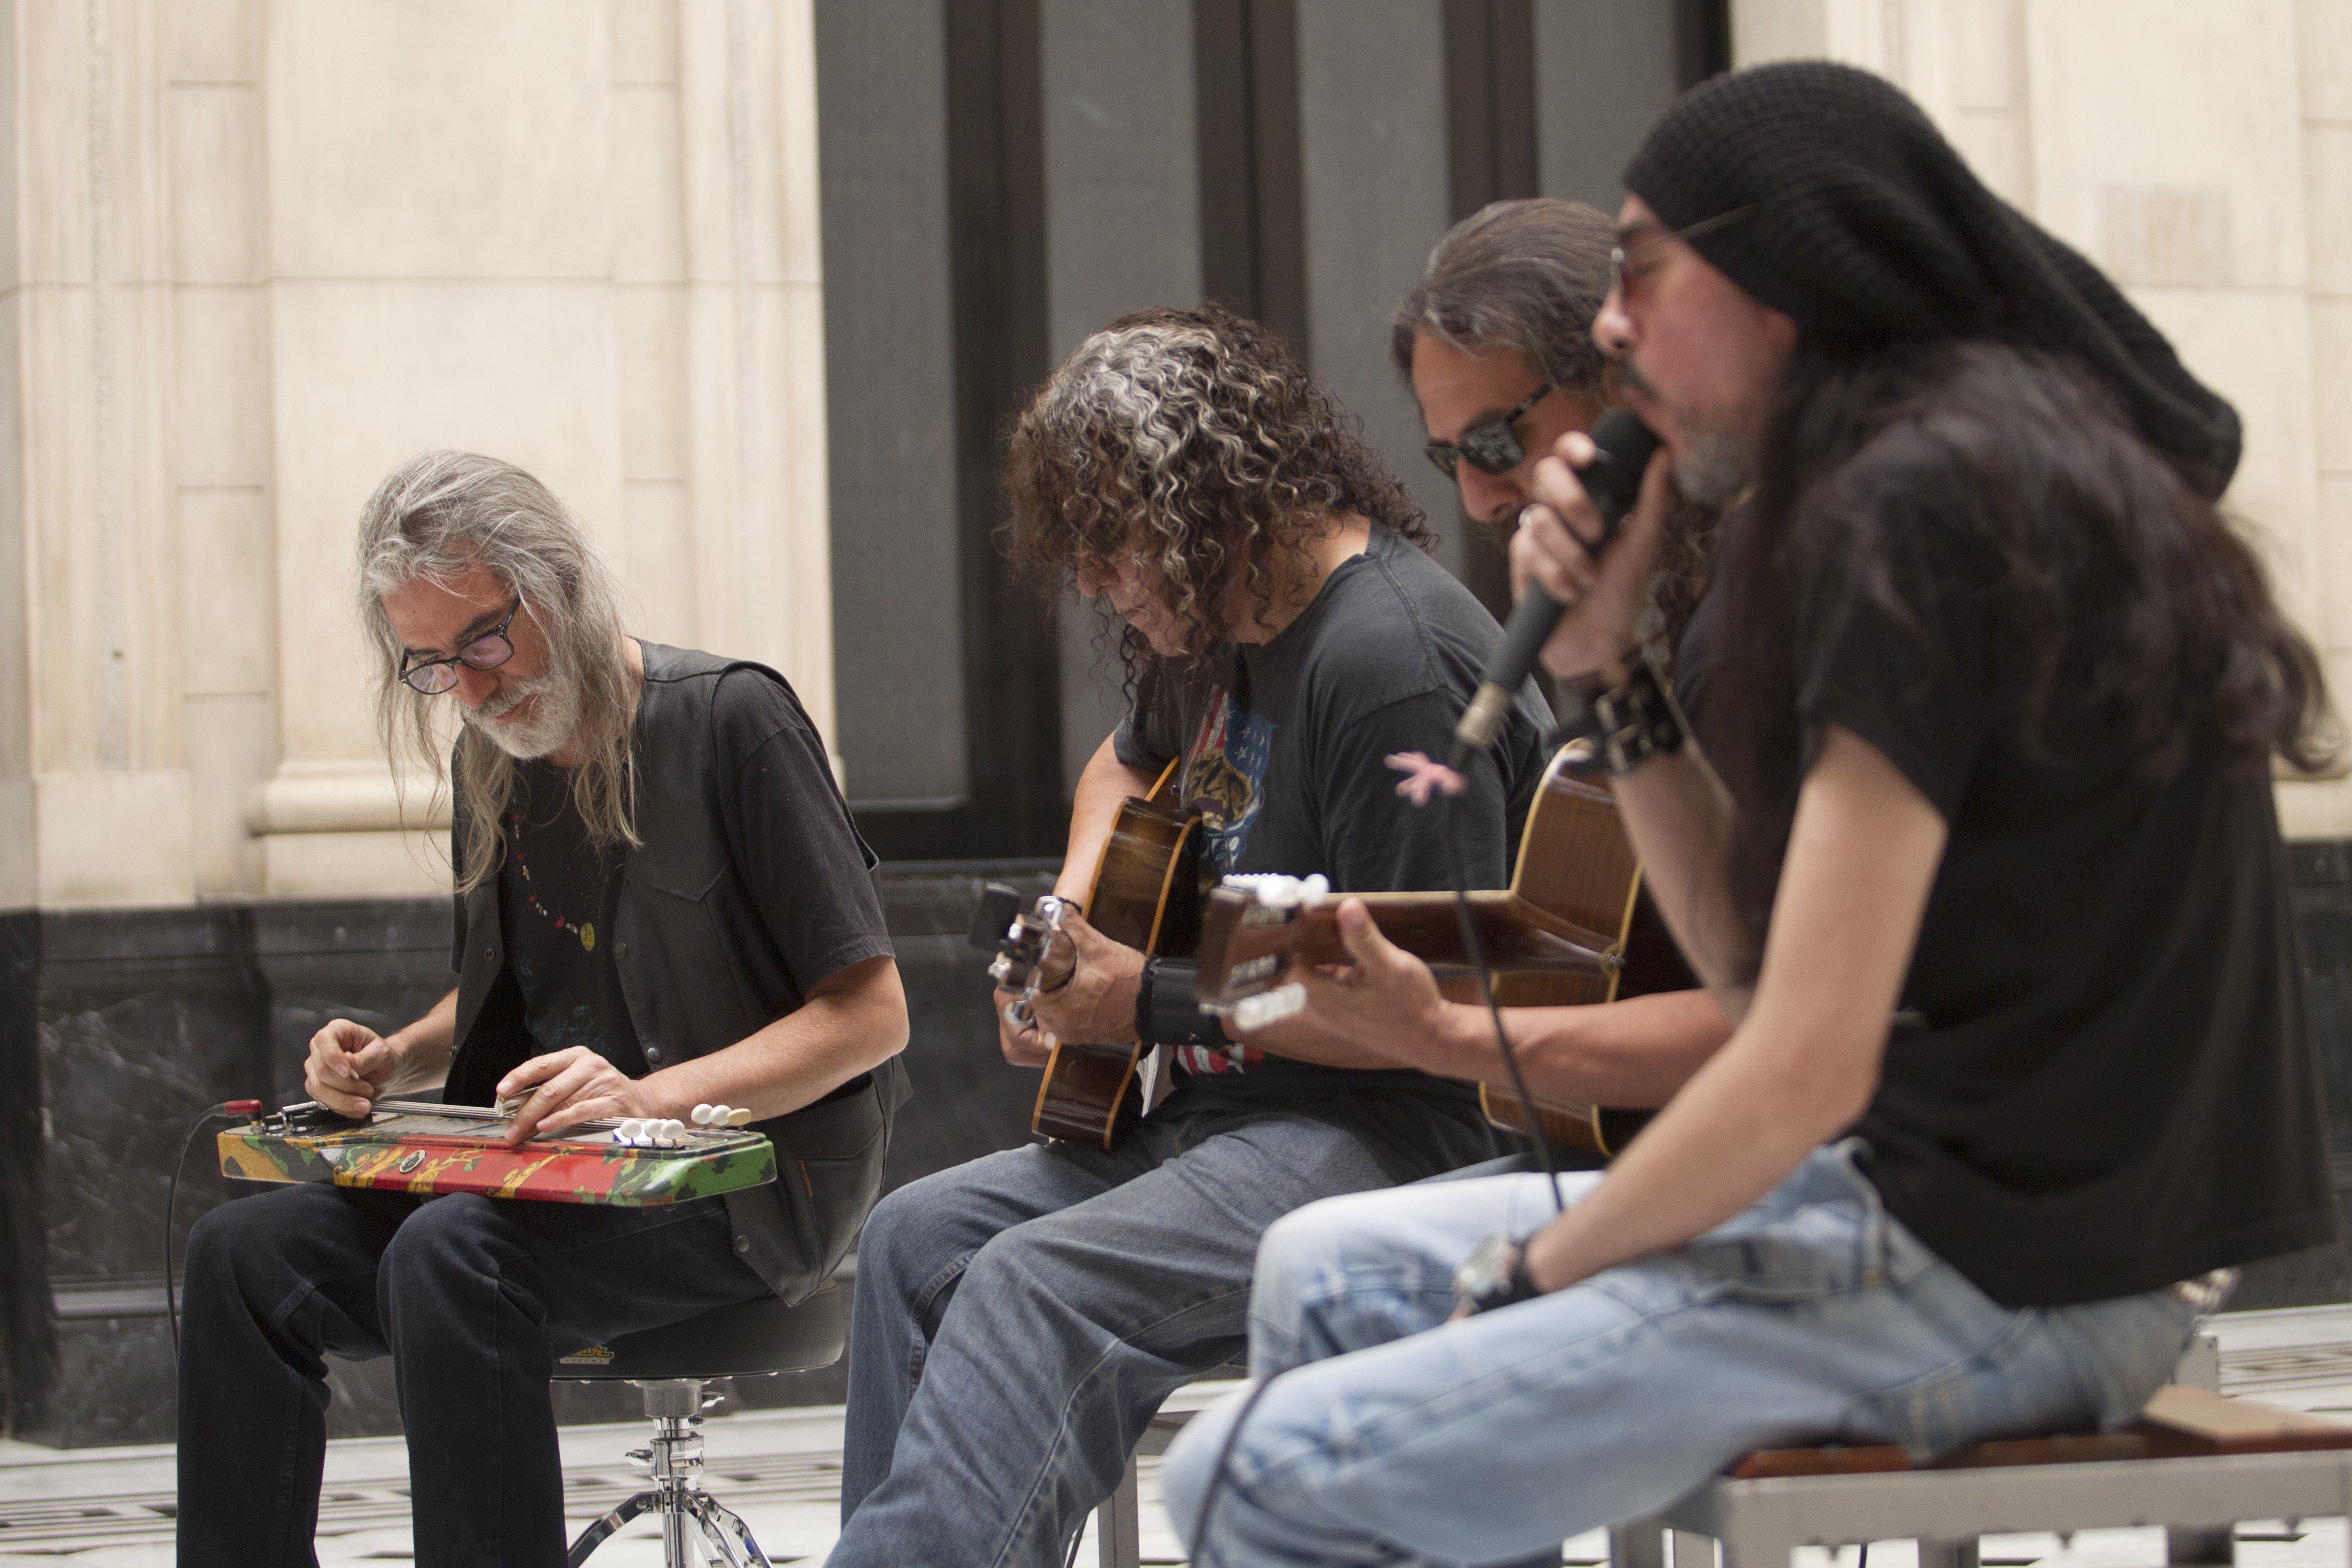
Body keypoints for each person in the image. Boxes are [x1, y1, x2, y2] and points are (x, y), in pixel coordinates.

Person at [1163, 61, 2340, 1568]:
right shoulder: (1895, 481)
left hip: (2013, 1275)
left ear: (1791, 277)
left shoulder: (1933, 499)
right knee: (1322, 1269)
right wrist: (1600, 674)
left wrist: (1546, 1266)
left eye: (1648, 273)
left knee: (1237, 1487)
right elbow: (1757, 967)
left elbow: (1800, 1058)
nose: (1612, 322)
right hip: (1940, 1224)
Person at [828, 303, 1571, 1568]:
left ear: (1211, 502)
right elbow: (1120, 771)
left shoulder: (1389, 662)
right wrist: (1073, 925)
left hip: (1391, 1136)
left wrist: (1150, 1001)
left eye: (1112, 550)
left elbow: (1429, 1002)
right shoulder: (1218, 631)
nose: (1097, 586)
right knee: (915, 1242)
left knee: (1029, 1281)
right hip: (1229, 1118)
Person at [176, 452, 911, 1568]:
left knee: (451, 1254)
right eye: (432, 666)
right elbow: (510, 984)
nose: (470, 687)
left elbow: (871, 1015)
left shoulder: (729, 722)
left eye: (482, 641)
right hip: (544, 1175)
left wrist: (649, 1095)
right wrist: (397, 1058)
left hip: (749, 1187)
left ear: (558, 583)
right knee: (240, 1256)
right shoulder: (499, 758)